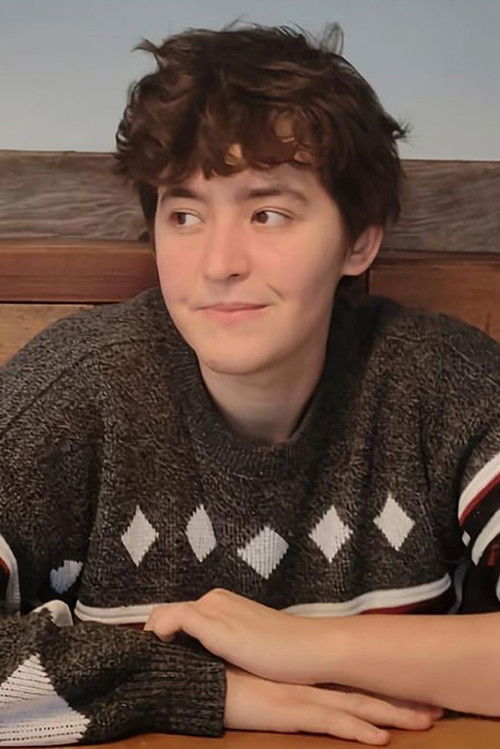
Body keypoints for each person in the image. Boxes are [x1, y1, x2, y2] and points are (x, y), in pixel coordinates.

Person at [0, 20, 499, 747]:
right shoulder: (74, 391)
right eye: (184, 215)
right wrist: (206, 689)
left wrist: (310, 649)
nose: (218, 263)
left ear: (359, 239)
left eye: (268, 213)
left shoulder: (446, 383)